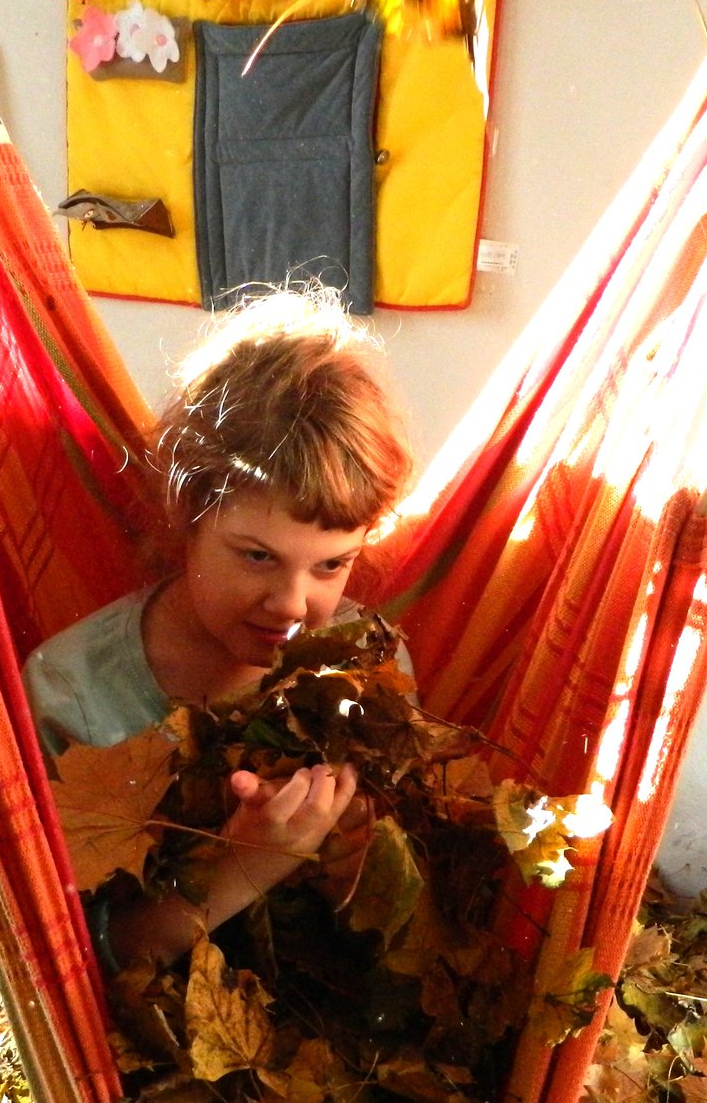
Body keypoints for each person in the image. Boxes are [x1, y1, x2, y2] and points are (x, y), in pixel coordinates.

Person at [22, 290, 414, 969]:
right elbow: (75, 959)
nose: (292, 604)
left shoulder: (368, 662)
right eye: (257, 556)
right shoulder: (73, 692)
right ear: (187, 515)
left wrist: (354, 863)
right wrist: (249, 865)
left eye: (331, 564)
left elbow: (389, 931)